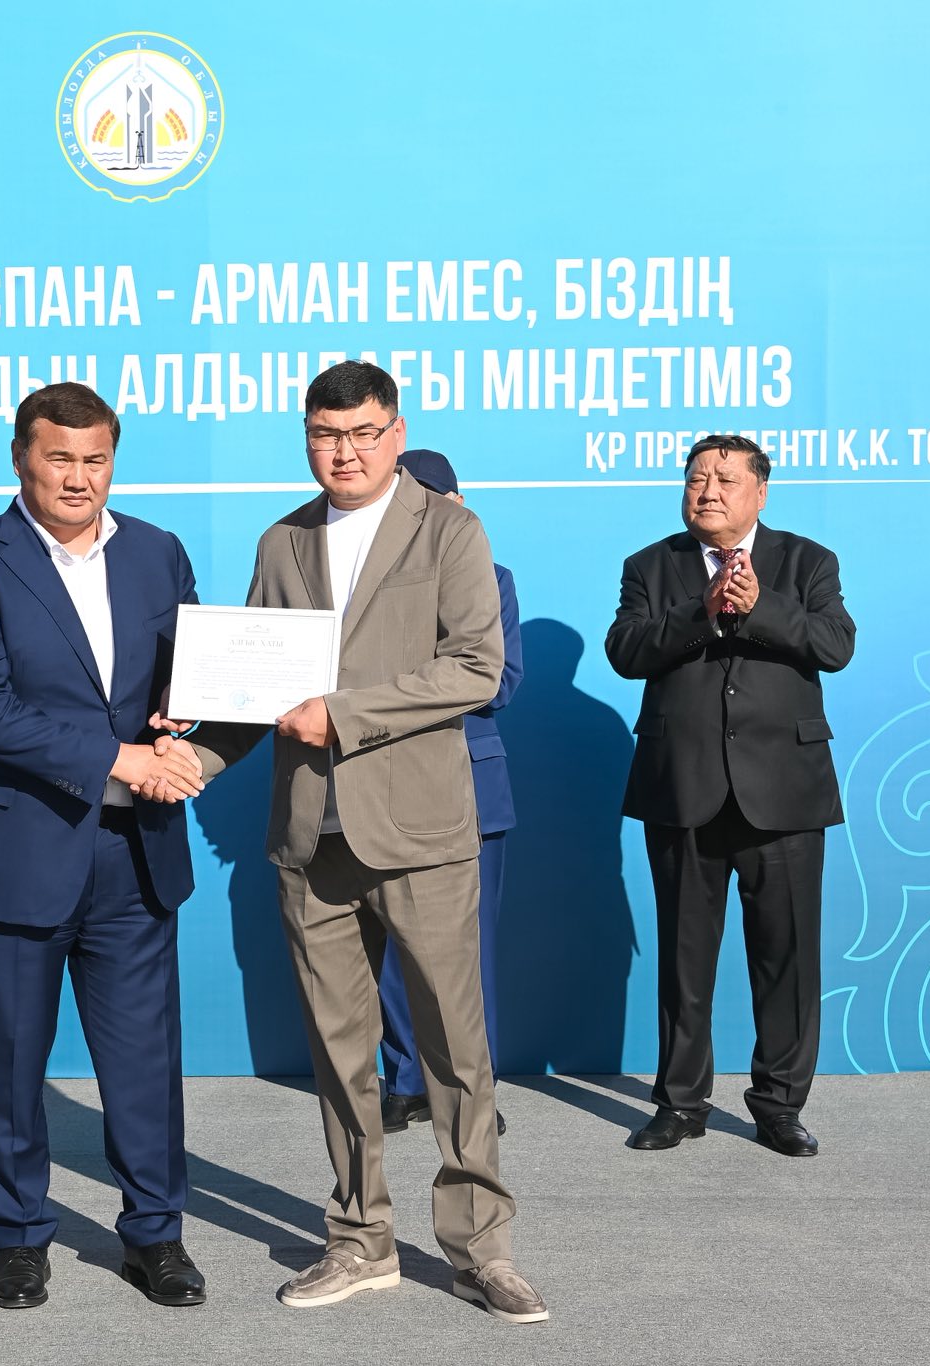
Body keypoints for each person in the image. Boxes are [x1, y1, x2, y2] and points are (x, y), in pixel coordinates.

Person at [179, 362, 547, 1325]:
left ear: (395, 433)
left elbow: (476, 667)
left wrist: (343, 714)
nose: (343, 452)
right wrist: (187, 753)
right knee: (341, 1055)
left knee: (455, 1050)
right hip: (312, 835)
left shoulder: (451, 529)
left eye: (362, 433)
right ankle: (359, 1240)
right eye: (324, 434)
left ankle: (481, 1249)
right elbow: (257, 693)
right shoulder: (282, 540)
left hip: (421, 828)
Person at [0, 382, 210, 1310]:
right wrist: (121, 757)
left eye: (95, 460)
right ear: (21, 459)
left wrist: (185, 718)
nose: (79, 478)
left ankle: (155, 1234)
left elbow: (186, 675)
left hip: (134, 851)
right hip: (13, 850)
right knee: (10, 1061)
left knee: (144, 1063)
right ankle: (18, 1236)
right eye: (59, 458)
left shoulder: (159, 552)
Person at [605, 432, 855, 1157]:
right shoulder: (652, 565)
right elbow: (626, 651)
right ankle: (681, 1103)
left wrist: (761, 606)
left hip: (785, 791)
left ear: (759, 492)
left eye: (723, 479)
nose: (706, 491)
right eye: (695, 480)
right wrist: (704, 612)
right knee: (685, 960)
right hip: (682, 788)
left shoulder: (808, 562)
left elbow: (835, 645)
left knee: (787, 959)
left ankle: (779, 1104)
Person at [374, 450, 522, 1139]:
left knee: (470, 951)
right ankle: (406, 1081)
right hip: (378, 781)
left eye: (435, 500)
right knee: (390, 949)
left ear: (459, 507)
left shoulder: (492, 578)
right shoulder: (363, 582)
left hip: (468, 785)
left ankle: (470, 1091)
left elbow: (498, 683)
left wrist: (402, 685)